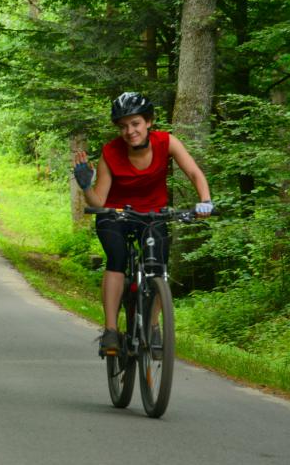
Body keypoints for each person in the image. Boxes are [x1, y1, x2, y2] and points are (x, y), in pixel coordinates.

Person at [72, 92, 213, 354]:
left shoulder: (166, 142)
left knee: (158, 266)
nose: (130, 131)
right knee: (116, 259)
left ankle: (153, 325)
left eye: (135, 123)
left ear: (148, 122)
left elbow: (194, 172)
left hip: (152, 214)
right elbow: (98, 201)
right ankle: (111, 331)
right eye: (123, 126)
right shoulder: (110, 152)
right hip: (115, 215)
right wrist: (86, 186)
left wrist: (205, 201)